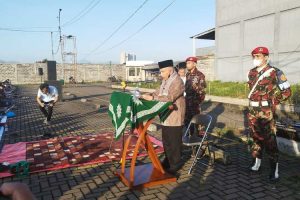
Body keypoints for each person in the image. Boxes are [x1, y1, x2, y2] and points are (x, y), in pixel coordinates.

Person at [247, 46, 291, 182]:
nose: (256, 59)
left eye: (258, 56)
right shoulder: (251, 73)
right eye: (254, 56)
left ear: (266, 57)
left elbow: (287, 91)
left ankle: (274, 169)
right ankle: (257, 163)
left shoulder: (275, 72)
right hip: (253, 112)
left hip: (266, 113)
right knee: (256, 138)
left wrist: (273, 100)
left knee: (270, 141)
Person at [141, 59, 185, 174]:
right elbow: (157, 93)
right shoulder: (165, 81)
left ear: (170, 70)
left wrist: (153, 98)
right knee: (166, 141)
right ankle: (168, 160)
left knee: (174, 141)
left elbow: (170, 97)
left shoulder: (177, 81)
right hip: (165, 115)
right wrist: (148, 95)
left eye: (162, 72)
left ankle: (175, 163)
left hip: (175, 116)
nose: (161, 75)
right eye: (160, 72)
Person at [184, 56, 206, 135]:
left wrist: (198, 102)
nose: (187, 65)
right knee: (187, 120)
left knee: (198, 121)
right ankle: (190, 136)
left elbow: (202, 91)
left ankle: (199, 141)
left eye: (189, 63)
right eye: (187, 63)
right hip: (187, 100)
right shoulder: (187, 74)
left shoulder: (200, 75)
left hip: (195, 102)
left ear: (194, 64)